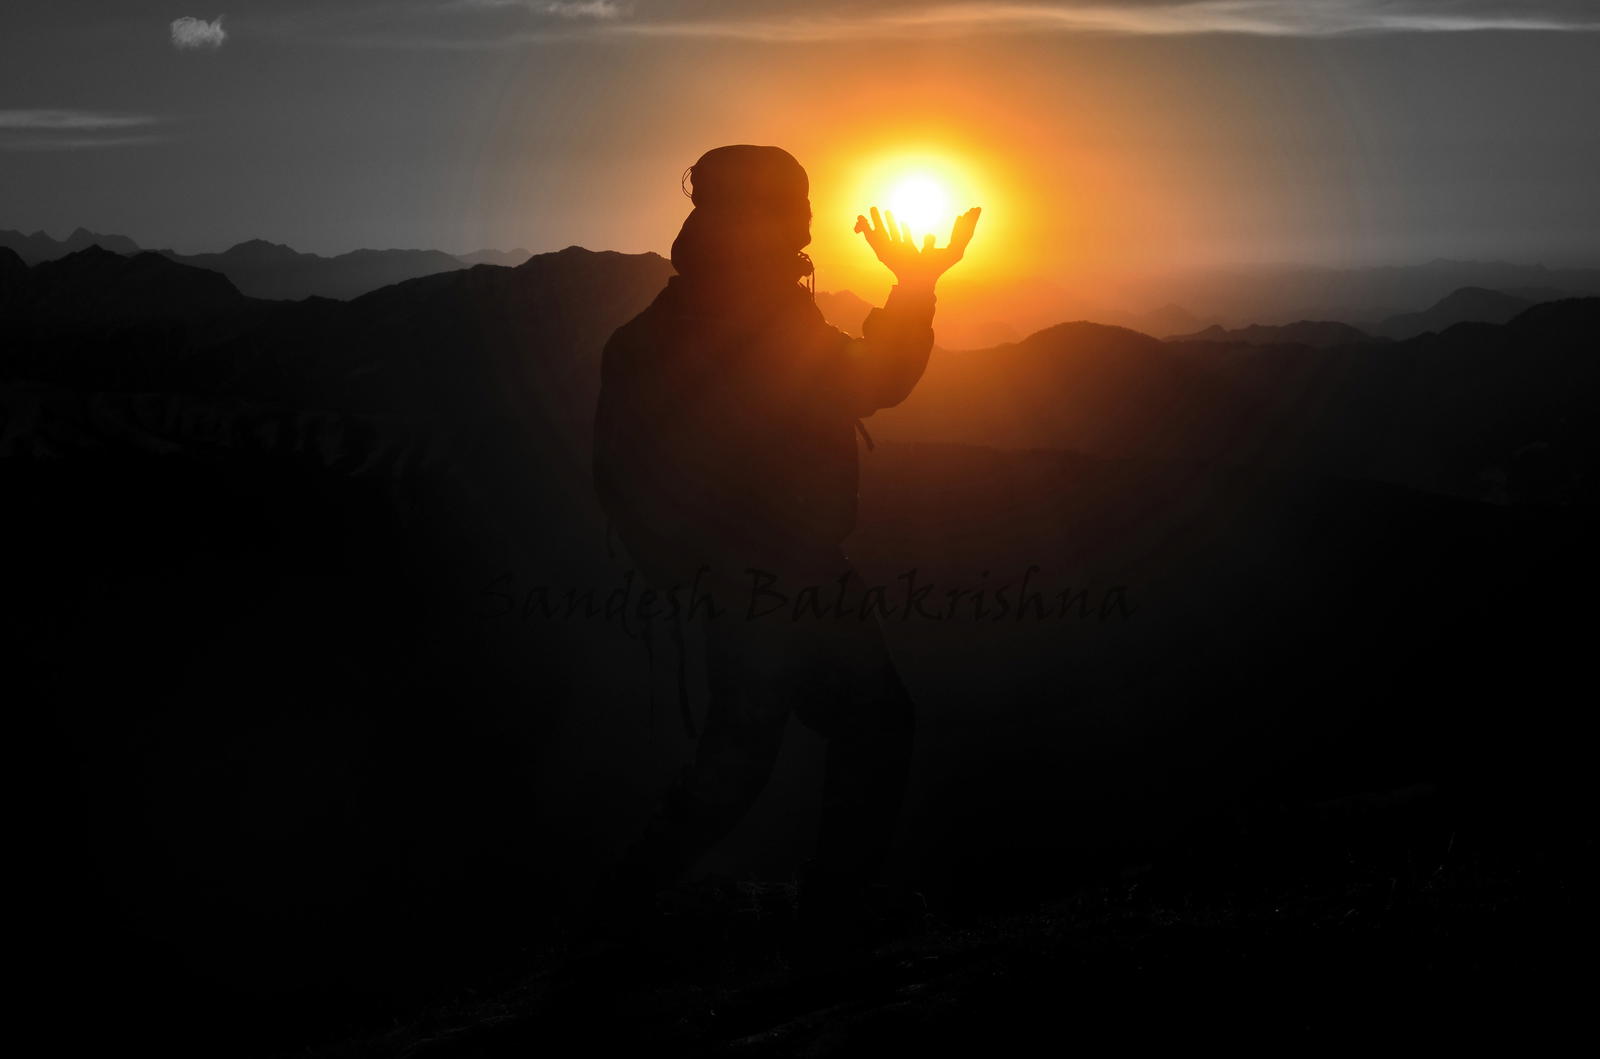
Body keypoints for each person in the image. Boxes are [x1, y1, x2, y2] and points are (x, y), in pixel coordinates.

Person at [593, 144, 979, 946]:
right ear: (761, 216)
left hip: (750, 579)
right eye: (796, 206)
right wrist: (914, 286)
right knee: (851, 731)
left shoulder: (677, 321)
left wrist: (684, 568)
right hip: (786, 577)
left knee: (750, 758)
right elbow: (872, 380)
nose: (808, 224)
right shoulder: (753, 316)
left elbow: (623, 477)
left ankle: (630, 909)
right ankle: (821, 915)